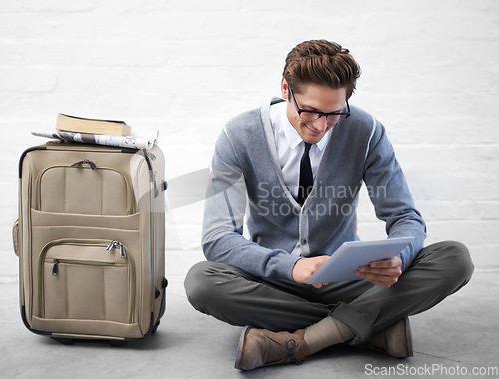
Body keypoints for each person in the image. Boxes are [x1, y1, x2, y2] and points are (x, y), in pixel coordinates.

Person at [184, 39, 474, 371]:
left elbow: (404, 215)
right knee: (201, 282)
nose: (320, 126)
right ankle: (370, 326)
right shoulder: (238, 136)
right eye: (310, 110)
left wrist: (398, 258)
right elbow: (218, 237)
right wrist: (289, 267)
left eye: (334, 114)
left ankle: (303, 339)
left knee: (454, 258)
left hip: (348, 278)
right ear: (285, 88)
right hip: (273, 280)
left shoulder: (366, 132)